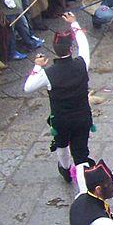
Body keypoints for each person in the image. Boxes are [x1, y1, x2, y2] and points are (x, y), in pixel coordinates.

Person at [23, 12, 93, 181]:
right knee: (81, 151)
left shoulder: (48, 73)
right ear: (70, 49)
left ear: (54, 51)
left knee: (61, 143)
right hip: (82, 116)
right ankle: (83, 180)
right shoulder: (82, 63)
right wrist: (74, 24)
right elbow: (84, 45)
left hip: (61, 119)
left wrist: (37, 67)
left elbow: (28, 87)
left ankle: (65, 169)